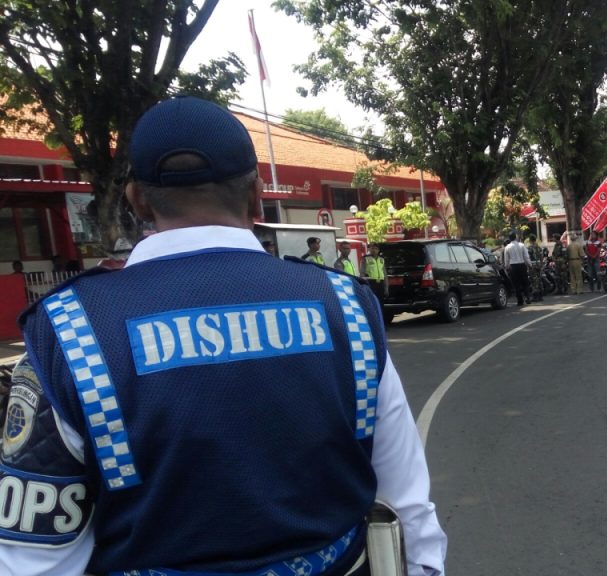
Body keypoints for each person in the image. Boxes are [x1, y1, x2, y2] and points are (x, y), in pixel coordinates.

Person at [0, 97, 446, 576]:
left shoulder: (69, 331)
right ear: (256, 195)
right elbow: (408, 505)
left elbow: (33, 558)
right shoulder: (346, 308)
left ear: (136, 201)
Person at [504, 231, 531, 305]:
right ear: (515, 237)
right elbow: (526, 257)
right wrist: (529, 265)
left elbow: (506, 260)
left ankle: (520, 300)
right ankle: (527, 298)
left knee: (516, 284)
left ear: (509, 238)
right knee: (525, 282)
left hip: (513, 267)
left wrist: (506, 267)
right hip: (522, 265)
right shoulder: (522, 245)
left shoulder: (507, 247)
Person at [526, 234, 545, 302]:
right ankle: (541, 296)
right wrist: (541, 264)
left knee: (534, 280)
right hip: (539, 264)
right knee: (539, 279)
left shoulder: (529, 248)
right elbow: (541, 256)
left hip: (532, 265)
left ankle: (535, 296)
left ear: (530, 240)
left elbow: (527, 257)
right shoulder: (539, 247)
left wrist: (528, 265)